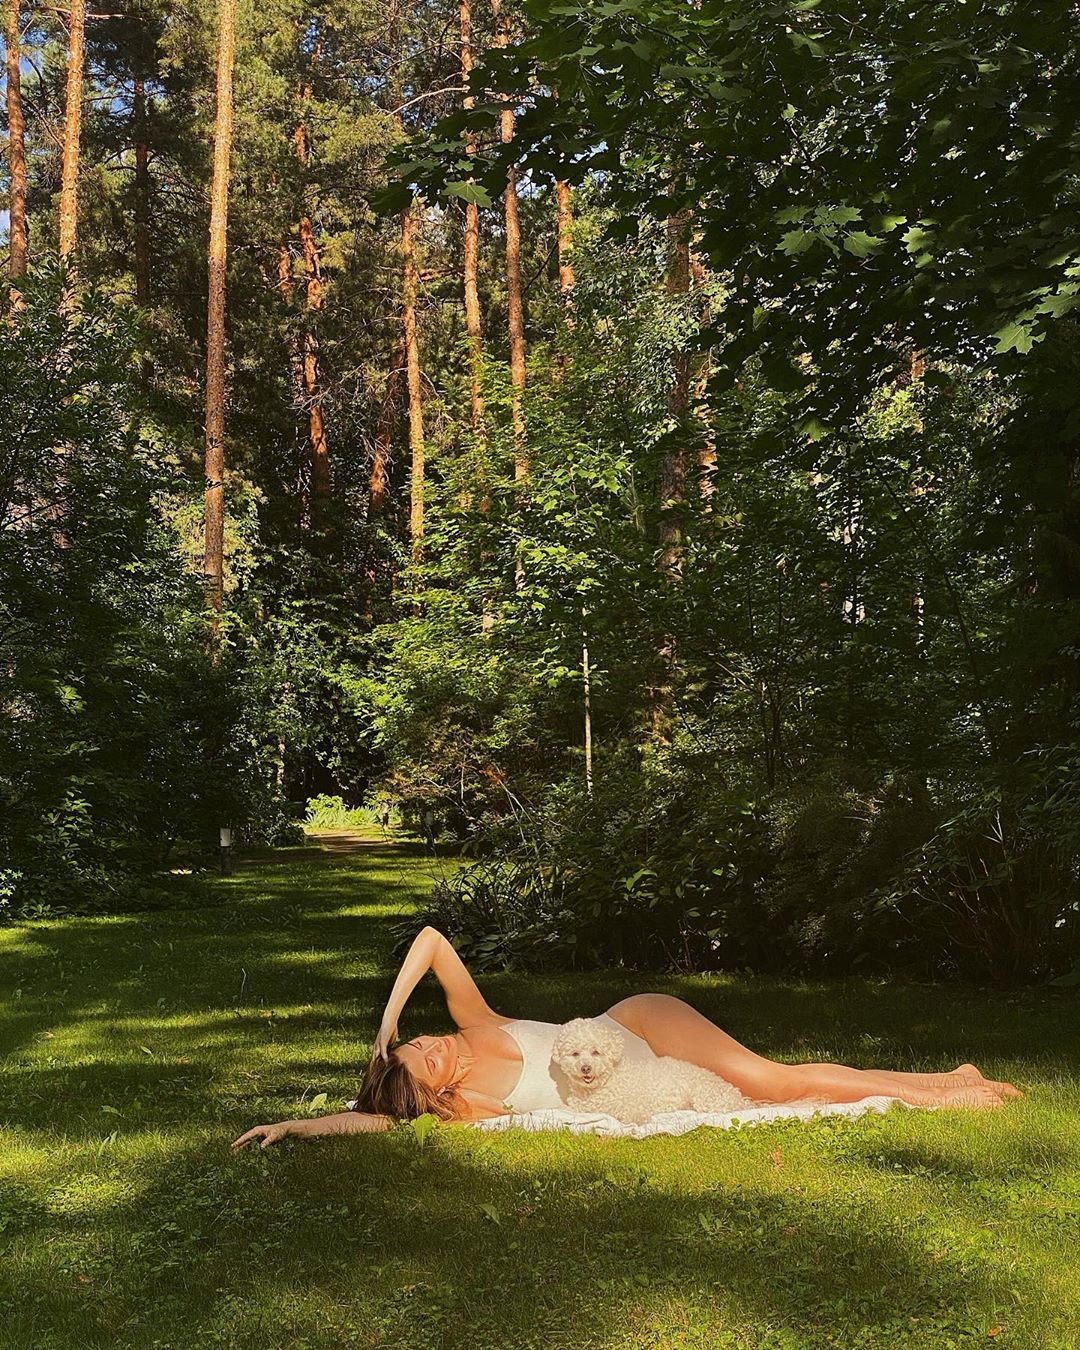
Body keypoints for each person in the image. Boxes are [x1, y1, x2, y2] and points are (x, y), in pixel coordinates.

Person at [232, 926, 1023, 1149]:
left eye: (419, 1043)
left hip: (638, 1025)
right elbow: (374, 1120)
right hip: (637, 1073)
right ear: (433, 1092)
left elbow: (432, 941)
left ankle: (944, 1092)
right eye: (422, 1063)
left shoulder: (477, 1024)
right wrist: (295, 1125)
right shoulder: (468, 1106)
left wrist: (386, 1019)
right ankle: (949, 1081)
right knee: (778, 1086)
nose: (431, 1048)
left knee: (774, 1081)